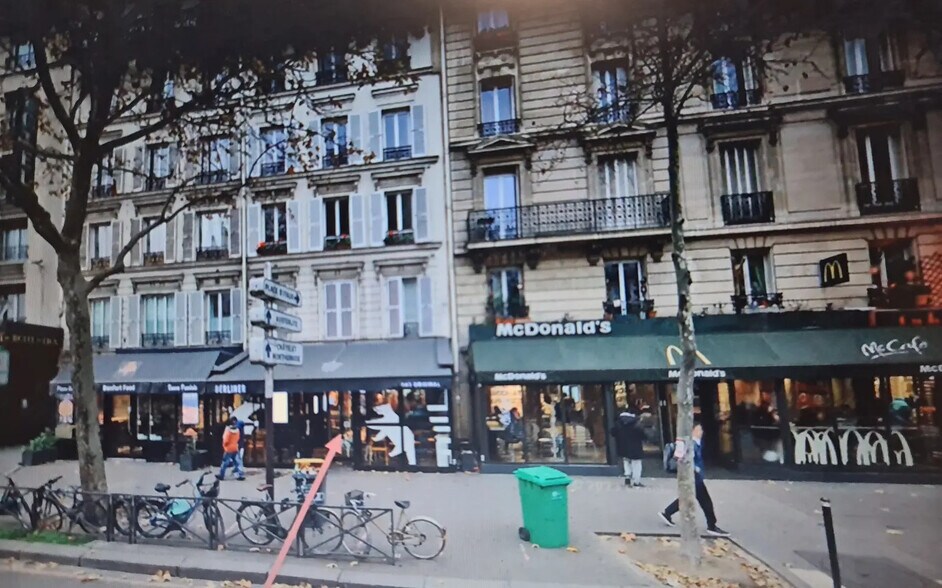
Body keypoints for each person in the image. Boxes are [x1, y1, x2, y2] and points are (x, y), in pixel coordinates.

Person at [658, 423, 729, 537]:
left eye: (701, 430)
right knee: (706, 502)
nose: (701, 432)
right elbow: (685, 459)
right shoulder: (692, 444)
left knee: (686, 498)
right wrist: (695, 468)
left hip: (695, 477)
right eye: (698, 430)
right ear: (693, 431)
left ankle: (667, 513)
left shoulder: (695, 443)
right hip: (695, 477)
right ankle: (712, 526)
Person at [611, 404, 645, 487]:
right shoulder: (636, 422)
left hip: (623, 446)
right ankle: (636, 481)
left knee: (626, 460)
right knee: (636, 463)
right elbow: (642, 434)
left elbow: (613, 432)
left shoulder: (619, 421)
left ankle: (627, 477)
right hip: (635, 446)